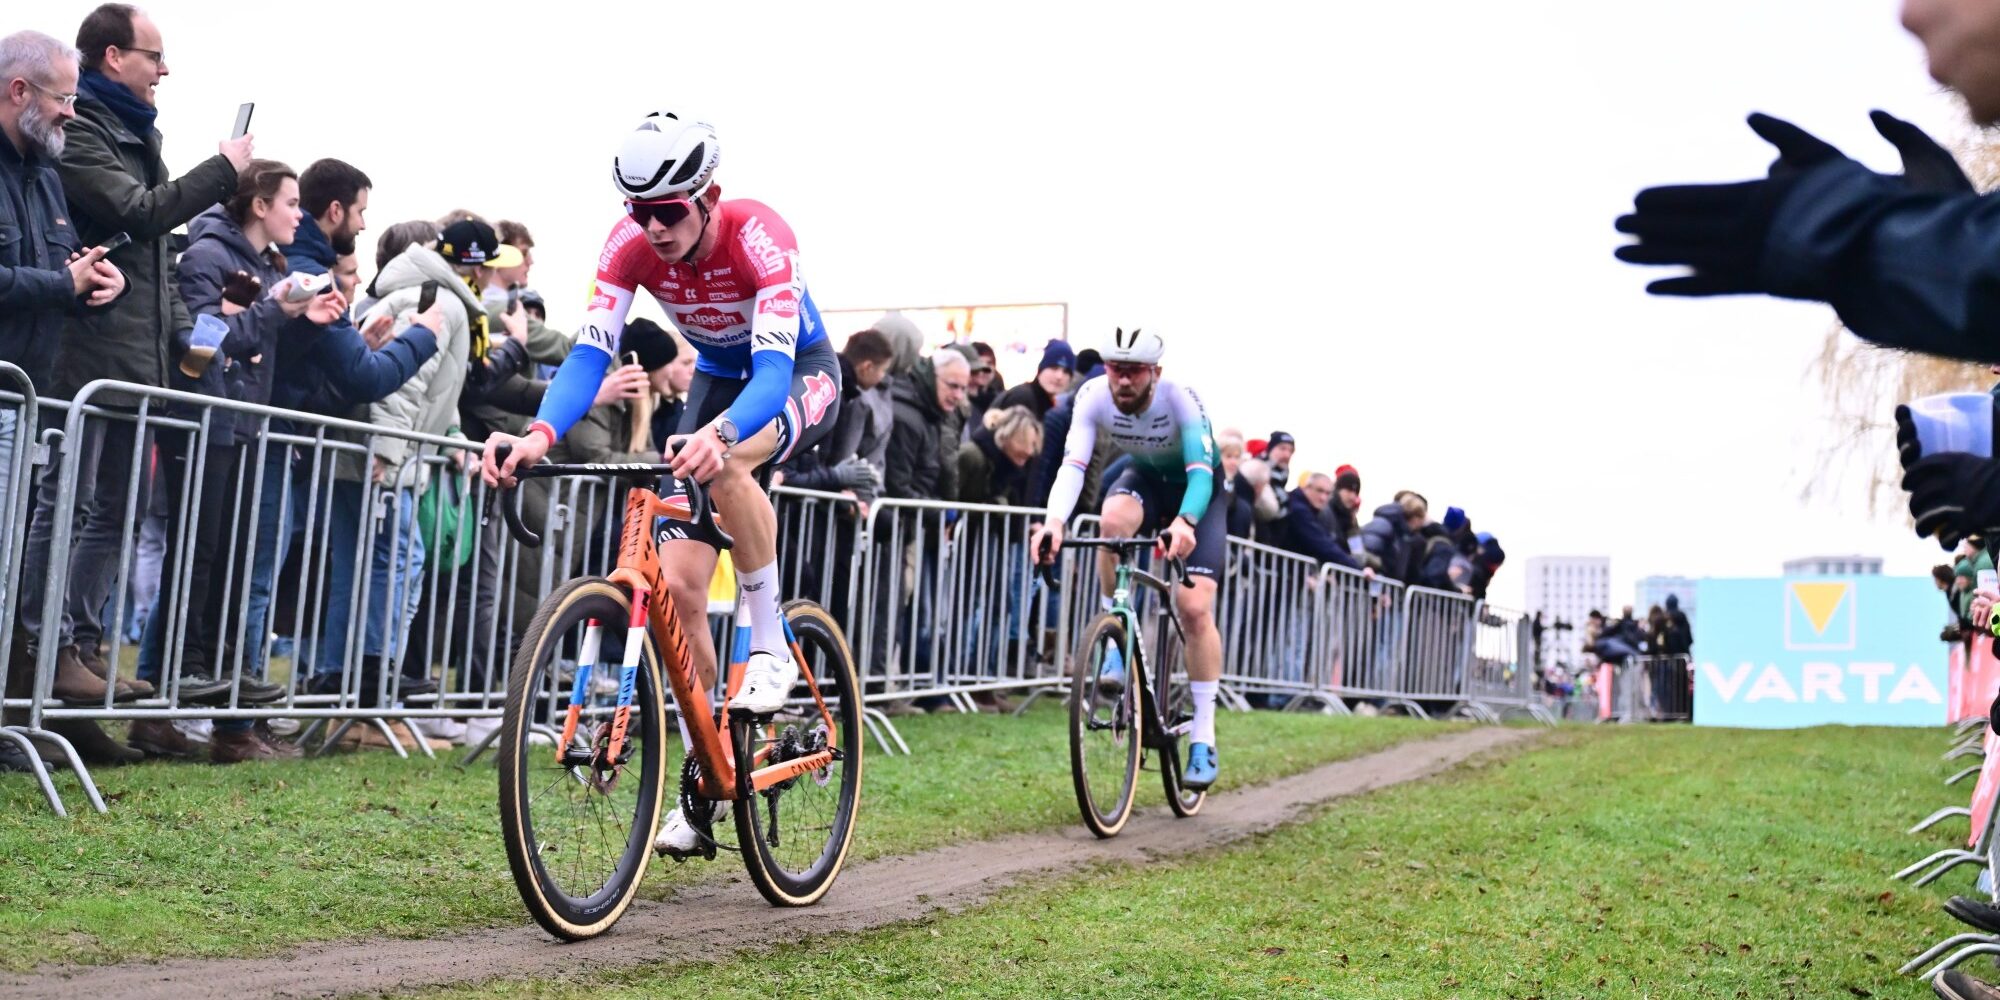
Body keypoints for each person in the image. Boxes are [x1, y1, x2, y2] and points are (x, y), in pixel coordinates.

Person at [482, 111, 843, 856]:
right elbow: (590, 355)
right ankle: (708, 768)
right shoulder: (628, 246)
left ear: (709, 197)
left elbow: (771, 370)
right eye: (639, 210)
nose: (653, 227)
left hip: (794, 375)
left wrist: (722, 434)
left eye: (669, 211)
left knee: (730, 460)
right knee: (678, 587)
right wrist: (539, 435)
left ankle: (771, 646)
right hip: (715, 379)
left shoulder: (761, 236)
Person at [15, 4, 249, 765]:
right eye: (154, 55)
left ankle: (77, 662)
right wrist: (223, 170)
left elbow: (148, 258)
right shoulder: (83, 130)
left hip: (131, 357)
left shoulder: (126, 133)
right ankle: (47, 654)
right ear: (114, 56)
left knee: (115, 512)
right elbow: (140, 214)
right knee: (71, 507)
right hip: (82, 357)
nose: (165, 69)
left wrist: (182, 336)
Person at [1030, 328, 1227, 791]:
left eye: (1134, 372)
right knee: (1112, 521)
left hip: (1197, 491)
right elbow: (1073, 466)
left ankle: (1203, 733)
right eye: (1115, 369)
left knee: (1194, 607)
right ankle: (1116, 636)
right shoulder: (1092, 396)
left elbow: (1201, 475)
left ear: (1155, 372)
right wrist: (1054, 523)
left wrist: (1186, 522)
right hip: (1145, 479)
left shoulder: (1182, 399)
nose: (1122, 380)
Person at [956, 404, 1042, 506]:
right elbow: (947, 497)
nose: (1029, 451)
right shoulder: (971, 456)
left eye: (1033, 444)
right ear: (1006, 435)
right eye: (1022, 440)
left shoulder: (1011, 471)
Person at [995, 339, 1074, 420]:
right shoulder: (1022, 398)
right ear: (1040, 370)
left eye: (1066, 371)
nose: (1059, 376)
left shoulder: (1047, 403)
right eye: (1054, 368)